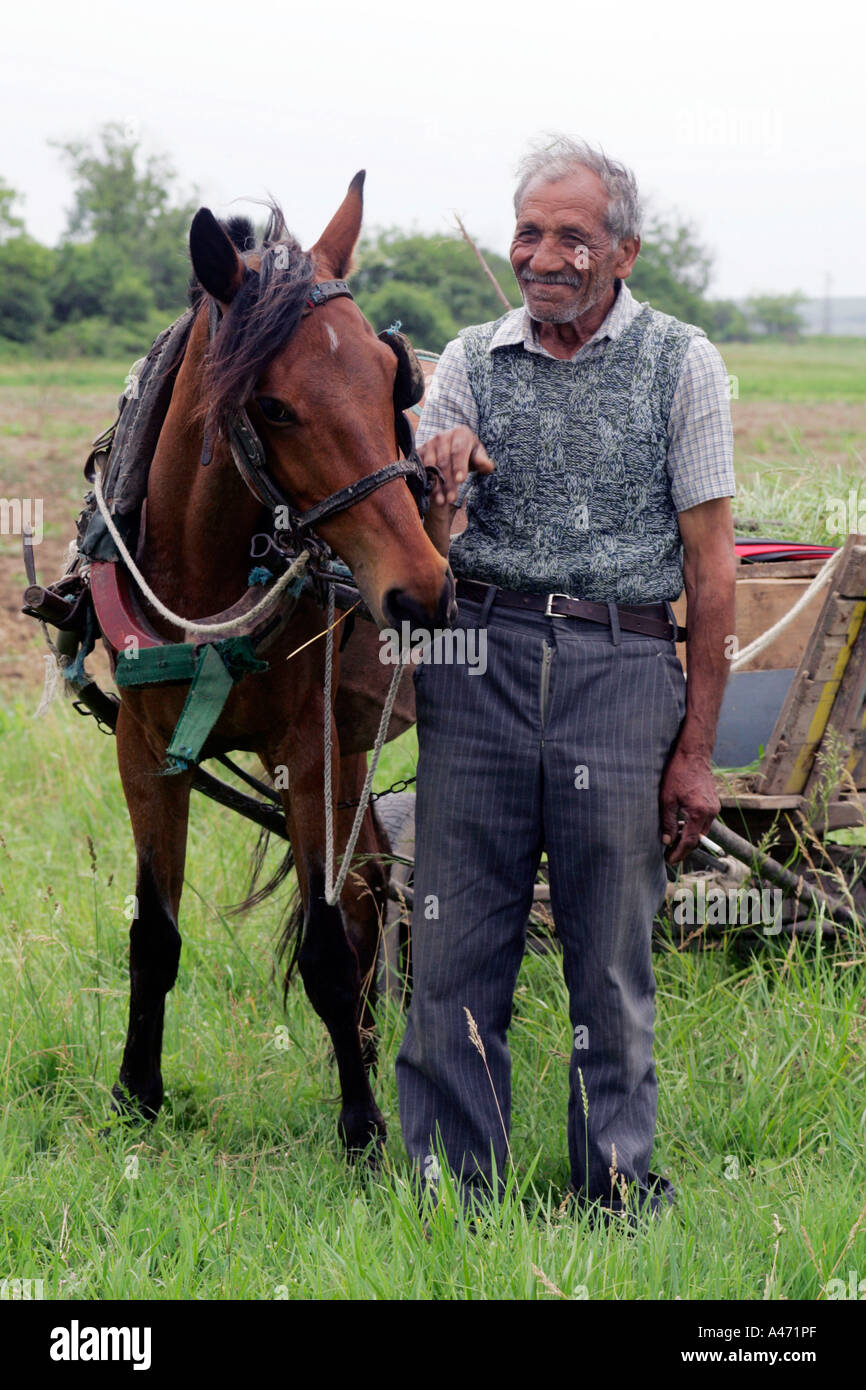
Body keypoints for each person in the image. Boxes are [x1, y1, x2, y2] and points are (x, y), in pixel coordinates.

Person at [395, 135, 736, 1219]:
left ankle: (616, 1188)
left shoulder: (680, 361)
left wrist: (692, 750)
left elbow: (709, 562)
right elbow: (423, 534)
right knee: (454, 946)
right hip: (476, 662)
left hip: (622, 666)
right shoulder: (465, 361)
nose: (543, 256)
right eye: (529, 233)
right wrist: (440, 484)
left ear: (622, 251)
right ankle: (452, 1191)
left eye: (572, 237)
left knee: (608, 956)